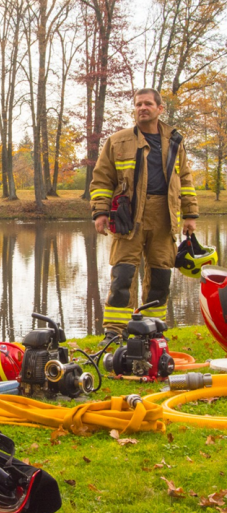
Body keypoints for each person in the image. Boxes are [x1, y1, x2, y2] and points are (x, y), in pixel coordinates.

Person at [91, 88, 198, 343]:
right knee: (123, 275)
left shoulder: (174, 140)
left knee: (161, 275)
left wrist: (190, 214)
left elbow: (185, 179)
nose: (142, 108)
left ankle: (151, 328)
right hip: (129, 217)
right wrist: (100, 212)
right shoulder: (118, 141)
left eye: (148, 104)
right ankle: (115, 332)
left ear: (160, 109)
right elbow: (102, 179)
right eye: (138, 104)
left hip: (165, 215)